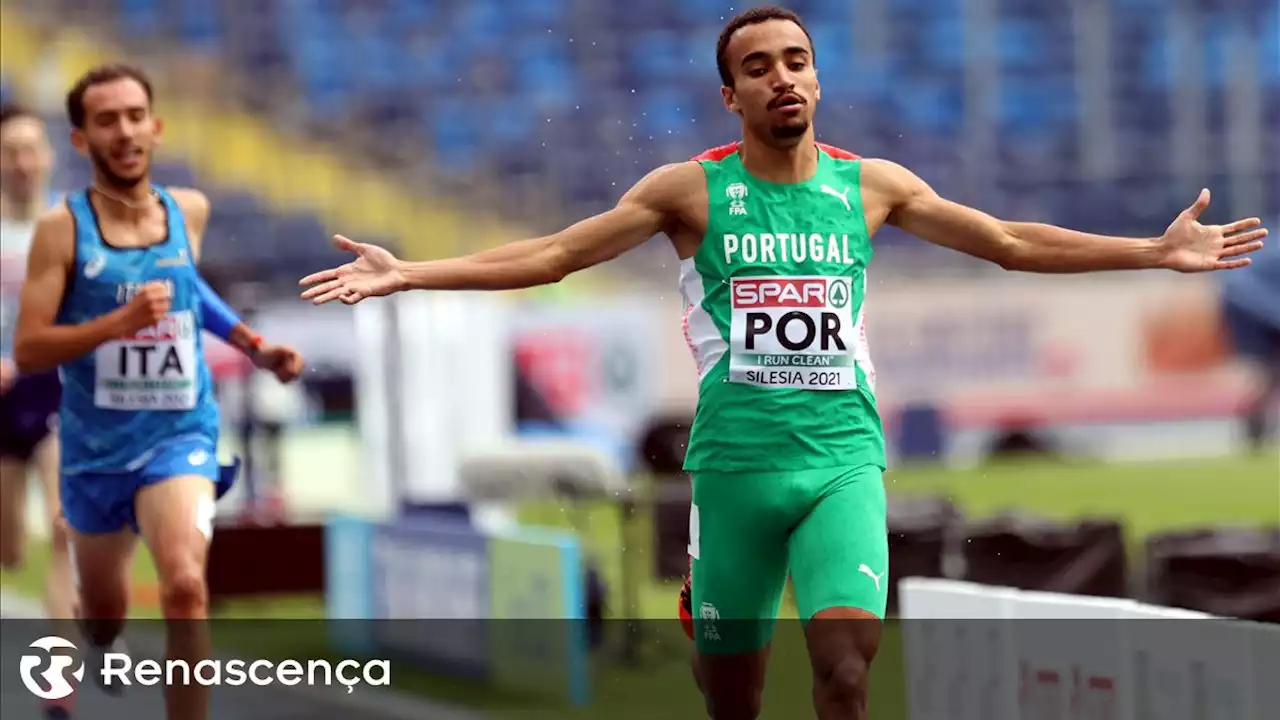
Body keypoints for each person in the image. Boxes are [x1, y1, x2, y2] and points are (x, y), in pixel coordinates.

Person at [298, 6, 1267, 718]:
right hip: (732, 467)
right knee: (732, 696)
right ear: (731, 94)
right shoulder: (688, 192)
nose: (782, 79)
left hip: (841, 456)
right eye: (758, 67)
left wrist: (1150, 250)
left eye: (796, 61)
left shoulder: (871, 186)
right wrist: (408, 271)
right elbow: (551, 254)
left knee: (844, 668)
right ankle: (706, 600)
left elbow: (1006, 240)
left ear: (816, 78)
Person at [13, 63, 304, 720]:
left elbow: (187, 293)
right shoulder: (62, 229)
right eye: (106, 120)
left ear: (156, 128)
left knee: (184, 586)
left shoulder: (187, 211)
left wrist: (254, 347)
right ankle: (95, 617)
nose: (124, 131)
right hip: (95, 450)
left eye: (135, 116)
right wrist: (118, 323)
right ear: (82, 140)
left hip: (178, 432)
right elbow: (30, 347)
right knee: (107, 618)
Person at [0, 103, 78, 711]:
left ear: (49, 156)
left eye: (31, 150)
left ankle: (57, 686)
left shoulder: (70, 223)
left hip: (52, 386)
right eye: (10, 152)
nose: (22, 163)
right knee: (9, 548)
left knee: (61, 525)